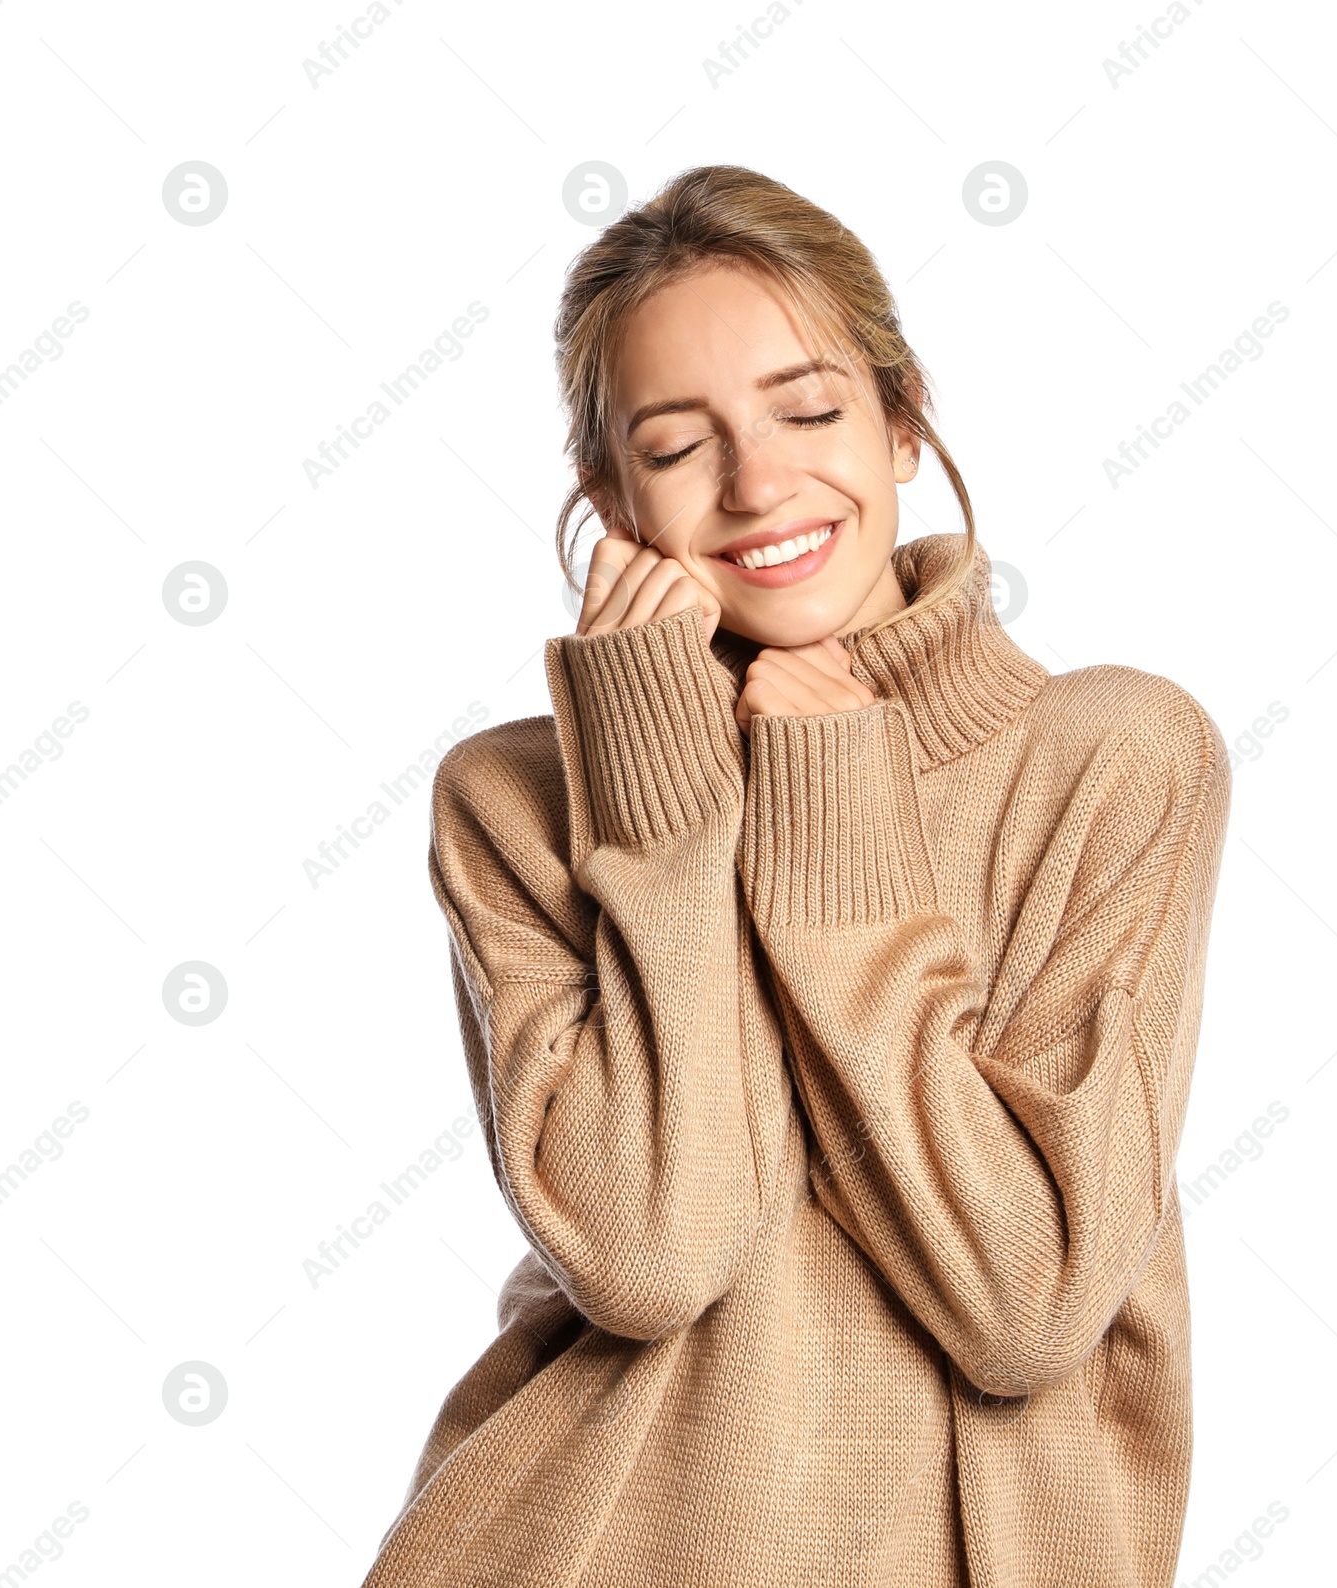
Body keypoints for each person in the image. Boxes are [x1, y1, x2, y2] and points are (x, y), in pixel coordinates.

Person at [361, 164, 1231, 1588]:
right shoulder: (513, 799)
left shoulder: (1114, 758)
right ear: (610, 492)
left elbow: (1024, 1302)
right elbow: (654, 1253)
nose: (760, 484)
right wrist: (660, 803)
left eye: (810, 411)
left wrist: (835, 829)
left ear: (903, 423)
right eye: (676, 442)